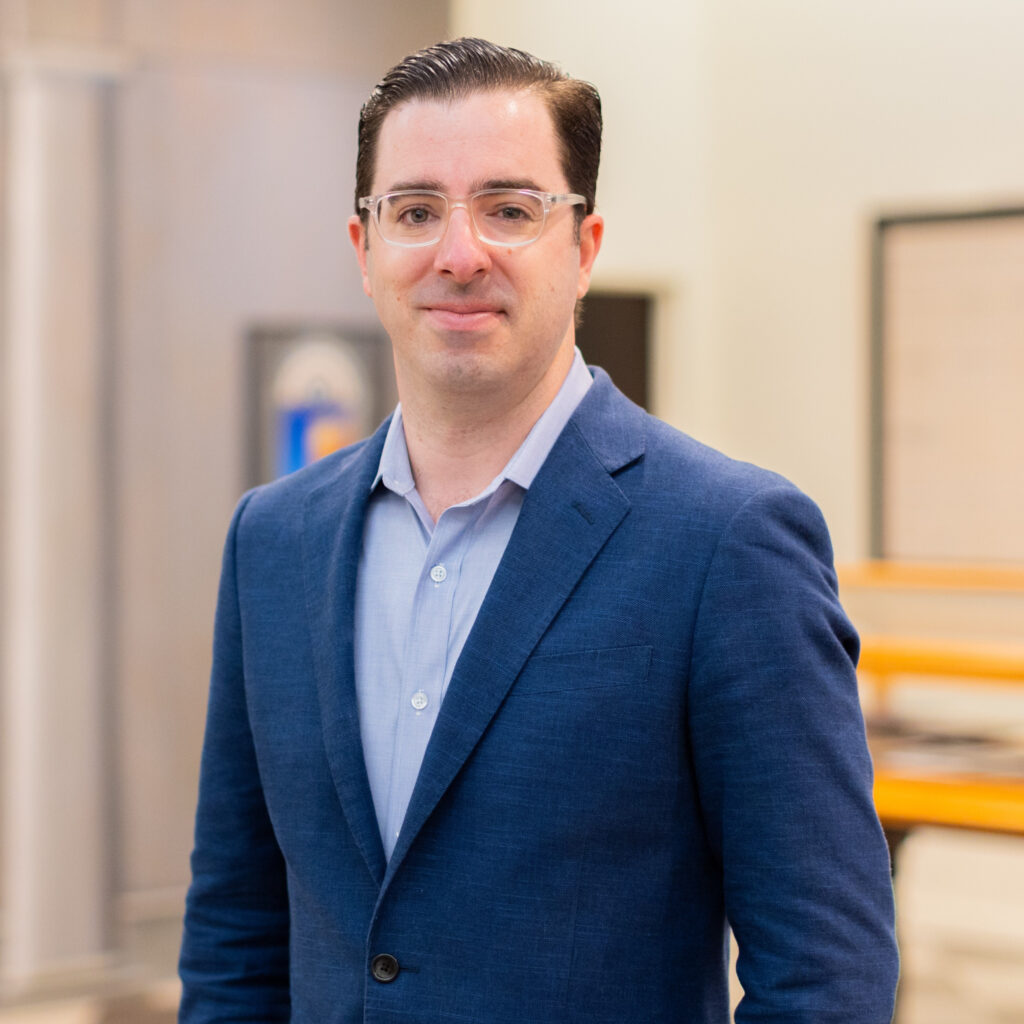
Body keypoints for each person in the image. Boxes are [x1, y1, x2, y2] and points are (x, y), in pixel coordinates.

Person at [179, 37, 899, 1024]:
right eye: (416, 211)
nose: (458, 253)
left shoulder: (727, 542)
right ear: (364, 248)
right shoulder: (273, 542)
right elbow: (236, 932)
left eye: (510, 209)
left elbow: (826, 976)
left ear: (584, 248)